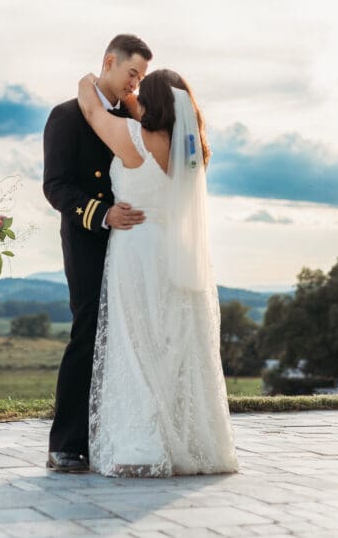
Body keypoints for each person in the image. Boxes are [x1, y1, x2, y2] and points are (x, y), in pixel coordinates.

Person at [77, 68, 239, 477]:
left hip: (138, 250)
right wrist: (145, 98)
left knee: (134, 344)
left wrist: (86, 79)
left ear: (150, 102)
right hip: (178, 253)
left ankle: (142, 447)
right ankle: (189, 442)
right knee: (176, 349)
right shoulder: (194, 150)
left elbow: (94, 113)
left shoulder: (134, 140)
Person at [42, 34, 152, 473]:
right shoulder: (66, 116)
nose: (135, 84)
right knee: (87, 331)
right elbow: (56, 186)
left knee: (125, 337)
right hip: (89, 238)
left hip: (134, 243)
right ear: (110, 62)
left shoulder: (134, 118)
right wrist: (103, 214)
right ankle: (66, 443)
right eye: (132, 74)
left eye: (141, 77)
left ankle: (112, 436)